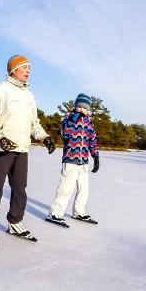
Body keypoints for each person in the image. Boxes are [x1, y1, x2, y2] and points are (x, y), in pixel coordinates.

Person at [0, 54, 56, 244]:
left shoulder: (29, 96)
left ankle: (15, 221)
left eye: (29, 67)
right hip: (0, 148)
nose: (29, 70)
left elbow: (34, 123)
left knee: (20, 188)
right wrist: (0, 138)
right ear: (14, 70)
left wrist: (44, 137)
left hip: (21, 149)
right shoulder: (0, 90)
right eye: (25, 67)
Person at [47, 93, 100, 226]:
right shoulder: (68, 119)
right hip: (70, 160)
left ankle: (79, 211)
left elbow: (92, 141)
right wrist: (74, 119)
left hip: (83, 163)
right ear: (75, 107)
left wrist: (95, 156)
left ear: (88, 109)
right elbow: (65, 133)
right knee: (66, 188)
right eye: (79, 107)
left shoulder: (89, 123)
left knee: (84, 189)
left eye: (84, 108)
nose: (82, 110)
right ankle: (55, 213)